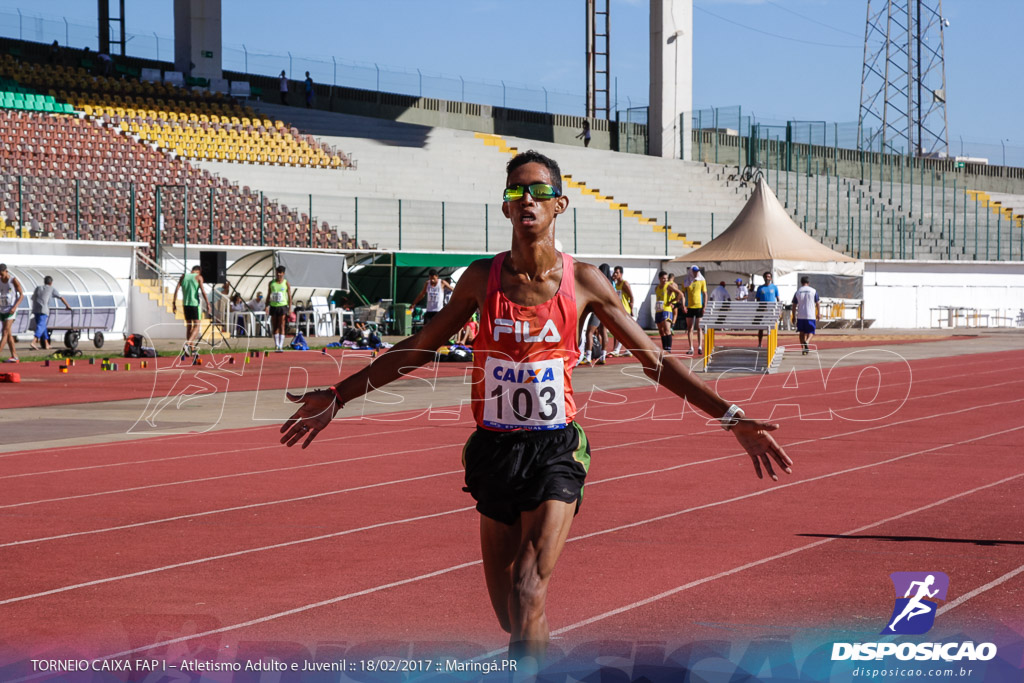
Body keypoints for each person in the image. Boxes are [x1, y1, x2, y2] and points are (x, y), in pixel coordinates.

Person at [280, 150, 792, 664]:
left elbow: (654, 360)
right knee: (512, 614)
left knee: (528, 590)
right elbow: (418, 348)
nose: (527, 198)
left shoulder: (586, 282)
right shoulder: (481, 280)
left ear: (560, 205)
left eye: (539, 191)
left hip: (556, 451)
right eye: (516, 191)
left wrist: (729, 417)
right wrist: (339, 396)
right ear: (505, 208)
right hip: (493, 450)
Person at [172, 265, 211, 356]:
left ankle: (192, 350)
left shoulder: (183, 276)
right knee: (197, 325)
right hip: (194, 304)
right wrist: (208, 304)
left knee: (189, 326)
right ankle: (187, 344)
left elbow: (176, 289)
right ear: (199, 271)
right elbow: (203, 292)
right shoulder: (198, 277)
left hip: (185, 304)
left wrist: (174, 303)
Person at [29, 275, 72, 350]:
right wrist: (67, 306)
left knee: (43, 327)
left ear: (44, 281)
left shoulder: (38, 288)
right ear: (51, 283)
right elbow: (61, 297)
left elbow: (32, 298)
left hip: (36, 310)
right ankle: (34, 341)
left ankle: (46, 344)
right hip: (43, 310)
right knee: (41, 326)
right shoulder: (51, 289)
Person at [0, 264, 25, 363]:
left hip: (11, 310)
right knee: (9, 334)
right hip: (2, 309)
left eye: (2, 274)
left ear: (6, 271)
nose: (0, 277)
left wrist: (15, 307)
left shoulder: (13, 280)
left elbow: (22, 295)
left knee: (4, 332)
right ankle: (14, 356)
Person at [653, 270, 683, 352]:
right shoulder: (657, 288)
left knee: (667, 329)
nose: (665, 280)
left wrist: (672, 301)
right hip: (658, 310)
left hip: (667, 310)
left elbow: (680, 294)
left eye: (666, 278)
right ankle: (664, 348)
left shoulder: (668, 286)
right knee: (661, 331)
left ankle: (668, 348)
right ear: (659, 278)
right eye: (663, 278)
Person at [792, 276, 820, 356]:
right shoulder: (813, 291)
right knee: (811, 331)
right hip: (810, 315)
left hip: (801, 315)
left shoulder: (798, 291)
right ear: (808, 282)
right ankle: (807, 342)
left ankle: (803, 349)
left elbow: (794, 305)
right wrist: (818, 313)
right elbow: (818, 303)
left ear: (801, 282)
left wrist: (793, 315)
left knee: (801, 333)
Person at [610, 265, 634, 356]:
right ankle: (629, 350)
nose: (615, 274)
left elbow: (631, 296)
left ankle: (617, 350)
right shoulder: (615, 284)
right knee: (621, 330)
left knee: (623, 330)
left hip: (625, 309)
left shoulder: (625, 284)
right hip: (618, 309)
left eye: (617, 272)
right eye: (614, 272)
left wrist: (631, 310)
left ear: (621, 274)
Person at [683, 265, 707, 355]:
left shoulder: (701, 280)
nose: (696, 273)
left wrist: (704, 306)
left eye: (697, 271)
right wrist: (683, 305)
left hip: (698, 306)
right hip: (689, 307)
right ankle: (691, 347)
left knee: (699, 327)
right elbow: (683, 294)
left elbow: (705, 293)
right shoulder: (686, 281)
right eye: (694, 271)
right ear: (691, 271)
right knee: (690, 328)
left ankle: (700, 346)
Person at [268, 265, 292, 351]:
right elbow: (268, 295)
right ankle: (276, 345)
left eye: (280, 273)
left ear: (283, 274)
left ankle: (281, 345)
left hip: (282, 306)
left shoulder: (286, 283)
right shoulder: (272, 283)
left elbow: (289, 296)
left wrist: (290, 308)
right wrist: (266, 306)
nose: (278, 275)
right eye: (277, 273)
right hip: (274, 306)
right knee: (275, 326)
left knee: (281, 324)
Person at [755, 271, 780, 348]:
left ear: (771, 278)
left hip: (771, 310)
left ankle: (772, 344)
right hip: (763, 310)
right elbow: (757, 299)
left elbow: (778, 298)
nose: (767, 278)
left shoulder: (774, 287)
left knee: (772, 327)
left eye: (769, 277)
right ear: (763, 278)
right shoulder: (760, 288)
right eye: (766, 277)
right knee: (761, 328)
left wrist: (779, 309)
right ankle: (759, 343)